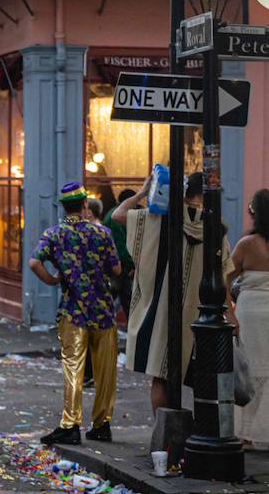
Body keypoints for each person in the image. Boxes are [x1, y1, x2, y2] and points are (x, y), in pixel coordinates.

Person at [114, 171, 233, 414]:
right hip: (201, 313)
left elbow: (117, 215)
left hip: (162, 310)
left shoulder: (161, 220)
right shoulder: (215, 228)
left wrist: (144, 191)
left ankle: (163, 436)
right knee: (203, 376)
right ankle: (201, 432)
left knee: (161, 375)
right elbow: (224, 273)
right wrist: (230, 312)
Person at [29, 183, 123, 445]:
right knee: (105, 370)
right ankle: (102, 424)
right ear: (84, 206)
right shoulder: (102, 233)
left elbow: (34, 262)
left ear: (63, 206)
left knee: (73, 367)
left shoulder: (54, 234)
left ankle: (70, 424)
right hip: (103, 309)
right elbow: (116, 270)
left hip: (73, 310)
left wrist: (52, 280)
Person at [231, 189, 269, 446]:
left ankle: (245, 434)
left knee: (249, 371)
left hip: (249, 310)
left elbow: (224, 276)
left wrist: (228, 311)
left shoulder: (246, 244)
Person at [104, 189, 136, 316]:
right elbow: (120, 245)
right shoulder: (116, 217)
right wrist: (132, 264)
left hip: (116, 264)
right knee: (125, 297)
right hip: (119, 266)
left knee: (118, 297)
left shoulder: (112, 213)